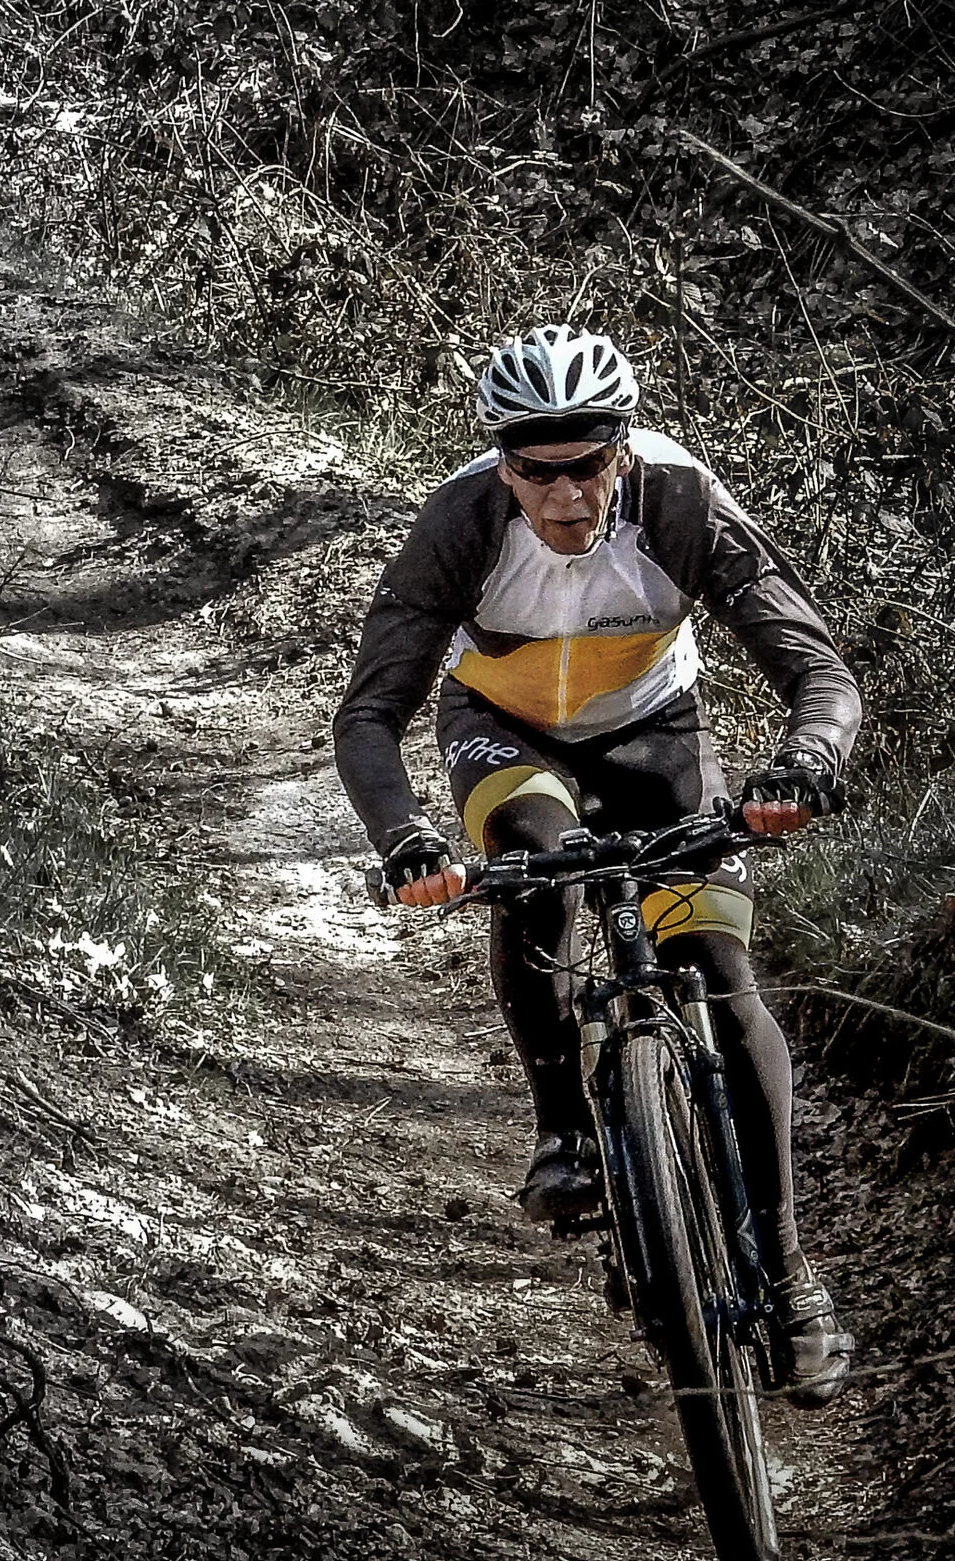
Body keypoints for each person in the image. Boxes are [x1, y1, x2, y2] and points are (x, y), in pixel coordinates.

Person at [332, 323, 857, 1406]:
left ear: (623, 447)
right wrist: (407, 839)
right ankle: (564, 1129)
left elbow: (816, 666)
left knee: (718, 965)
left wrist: (805, 762)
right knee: (533, 860)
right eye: (538, 471)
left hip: (656, 728)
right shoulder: (460, 522)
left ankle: (788, 1273)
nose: (567, 495)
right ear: (503, 463)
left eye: (588, 464)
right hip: (505, 728)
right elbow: (371, 712)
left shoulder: (681, 500)